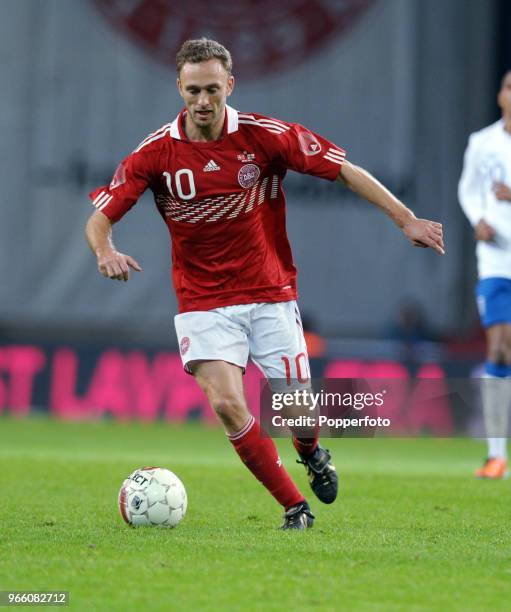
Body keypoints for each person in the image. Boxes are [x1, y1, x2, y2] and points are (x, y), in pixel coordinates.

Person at [85, 38, 445, 529]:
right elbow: (99, 219)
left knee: (298, 416)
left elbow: (344, 170)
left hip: (270, 295)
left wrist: (406, 220)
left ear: (230, 84)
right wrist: (105, 251)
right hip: (203, 302)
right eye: (193, 90)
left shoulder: (264, 136)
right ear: (179, 87)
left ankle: (312, 452)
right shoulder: (155, 154)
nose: (204, 101)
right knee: (228, 405)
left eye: (213, 88)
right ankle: (295, 507)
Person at [458, 71, 511, 480]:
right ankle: (496, 456)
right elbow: (467, 189)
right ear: (500, 95)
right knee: (498, 349)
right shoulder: (483, 142)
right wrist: (478, 219)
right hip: (496, 261)